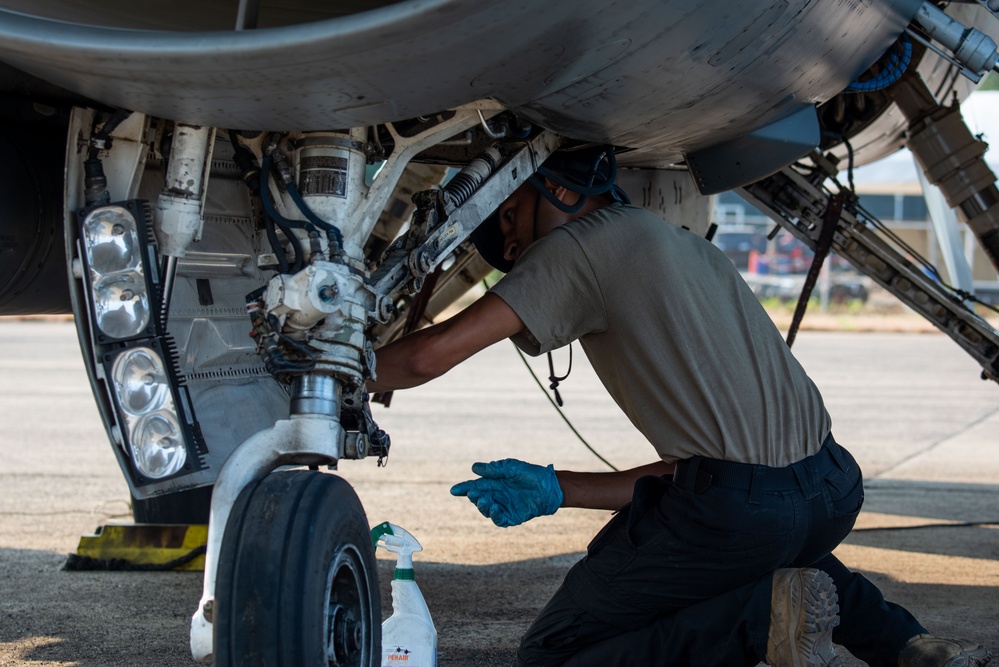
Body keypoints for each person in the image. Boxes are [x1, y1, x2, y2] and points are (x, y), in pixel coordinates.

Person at [368, 145, 993, 667]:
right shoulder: (687, 245)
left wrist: (314, 364)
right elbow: (707, 472)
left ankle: (763, 617)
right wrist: (557, 487)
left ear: (550, 190)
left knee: (553, 655)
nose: (511, 243)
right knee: (773, 542)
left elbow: (425, 358)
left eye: (509, 217)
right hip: (831, 489)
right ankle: (911, 646)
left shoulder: (576, 248)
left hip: (744, 511)